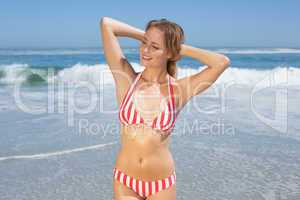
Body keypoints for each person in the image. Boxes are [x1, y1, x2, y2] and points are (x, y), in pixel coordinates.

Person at [100, 17, 230, 200]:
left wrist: (178, 47)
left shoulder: (179, 90)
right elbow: (107, 24)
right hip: (126, 180)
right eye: (144, 43)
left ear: (170, 53)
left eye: (154, 47)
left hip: (161, 185)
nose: (145, 50)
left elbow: (221, 62)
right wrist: (148, 37)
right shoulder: (126, 79)